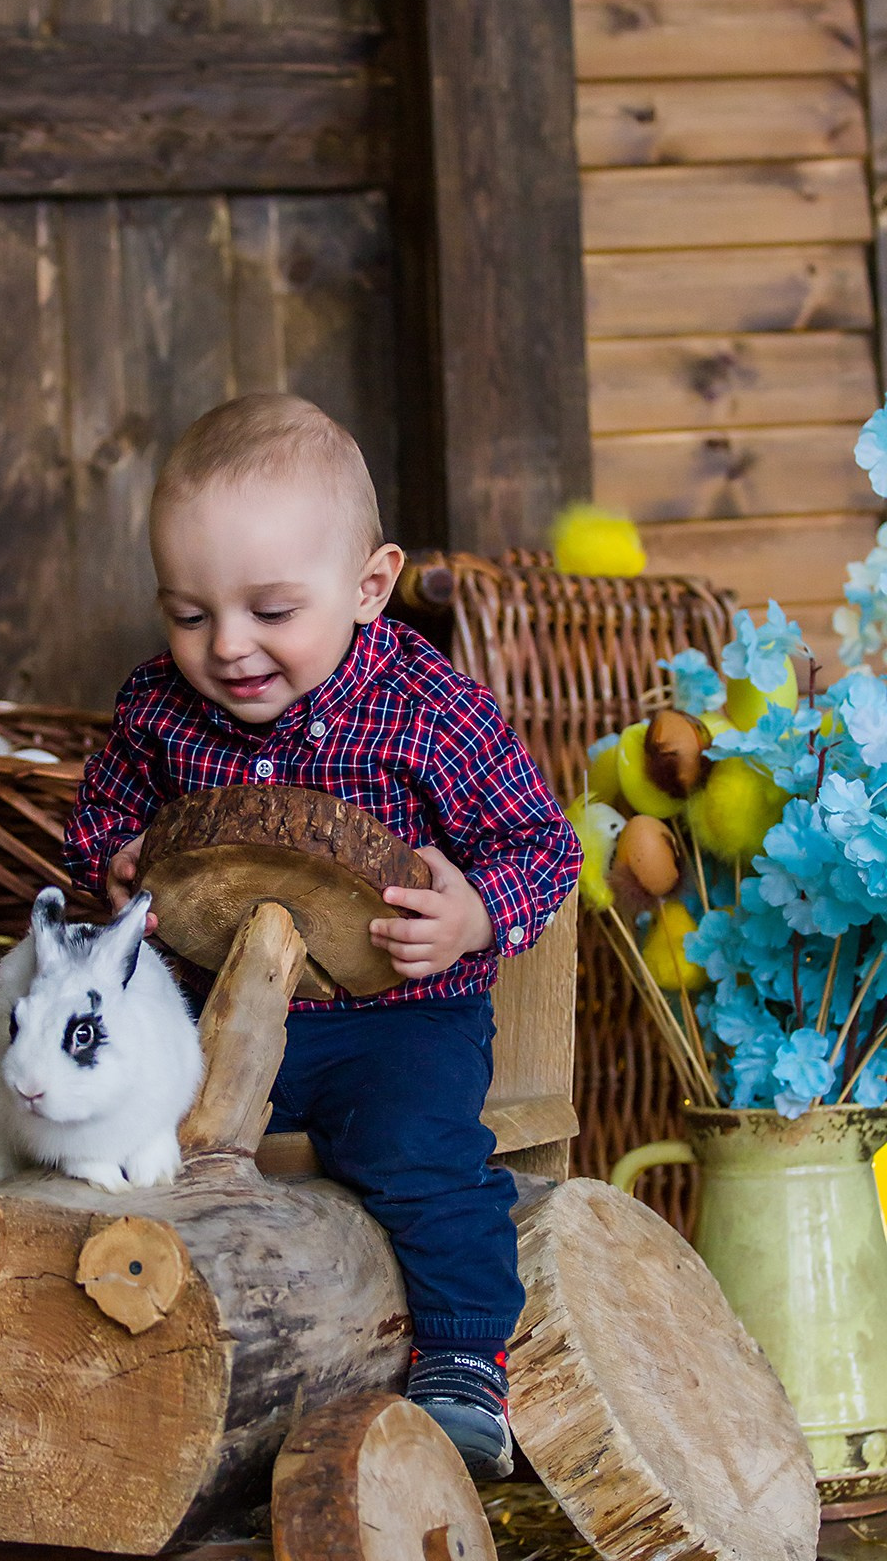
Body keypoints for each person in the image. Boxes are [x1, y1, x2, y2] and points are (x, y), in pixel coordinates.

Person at [64, 394, 582, 1475]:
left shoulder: (432, 712)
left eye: (270, 611)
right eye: (190, 615)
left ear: (369, 586)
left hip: (396, 1014)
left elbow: (543, 845)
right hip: (214, 1005)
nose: (230, 647)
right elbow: (103, 819)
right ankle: (156, 1362)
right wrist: (112, 868)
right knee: (131, 1144)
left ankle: (461, 1364)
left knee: (416, 1152)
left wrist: (476, 912)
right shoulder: (157, 707)